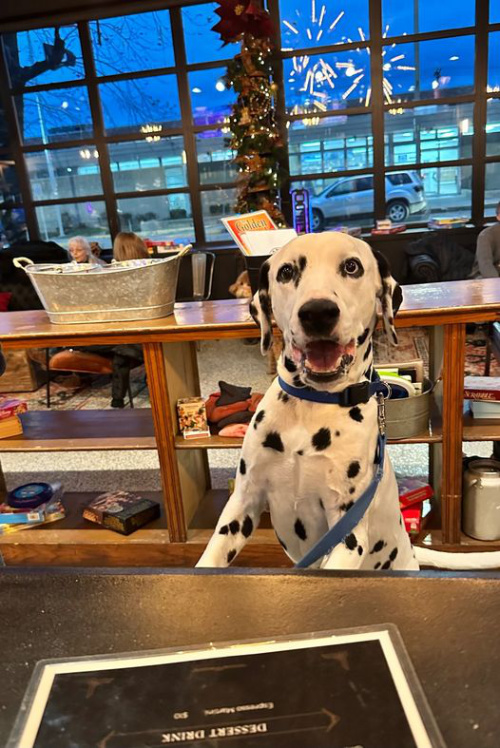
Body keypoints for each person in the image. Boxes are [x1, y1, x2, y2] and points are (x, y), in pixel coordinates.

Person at [471, 202, 500, 278]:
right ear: (498, 217)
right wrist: (497, 283)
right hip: (486, 276)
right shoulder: (486, 235)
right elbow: (485, 264)